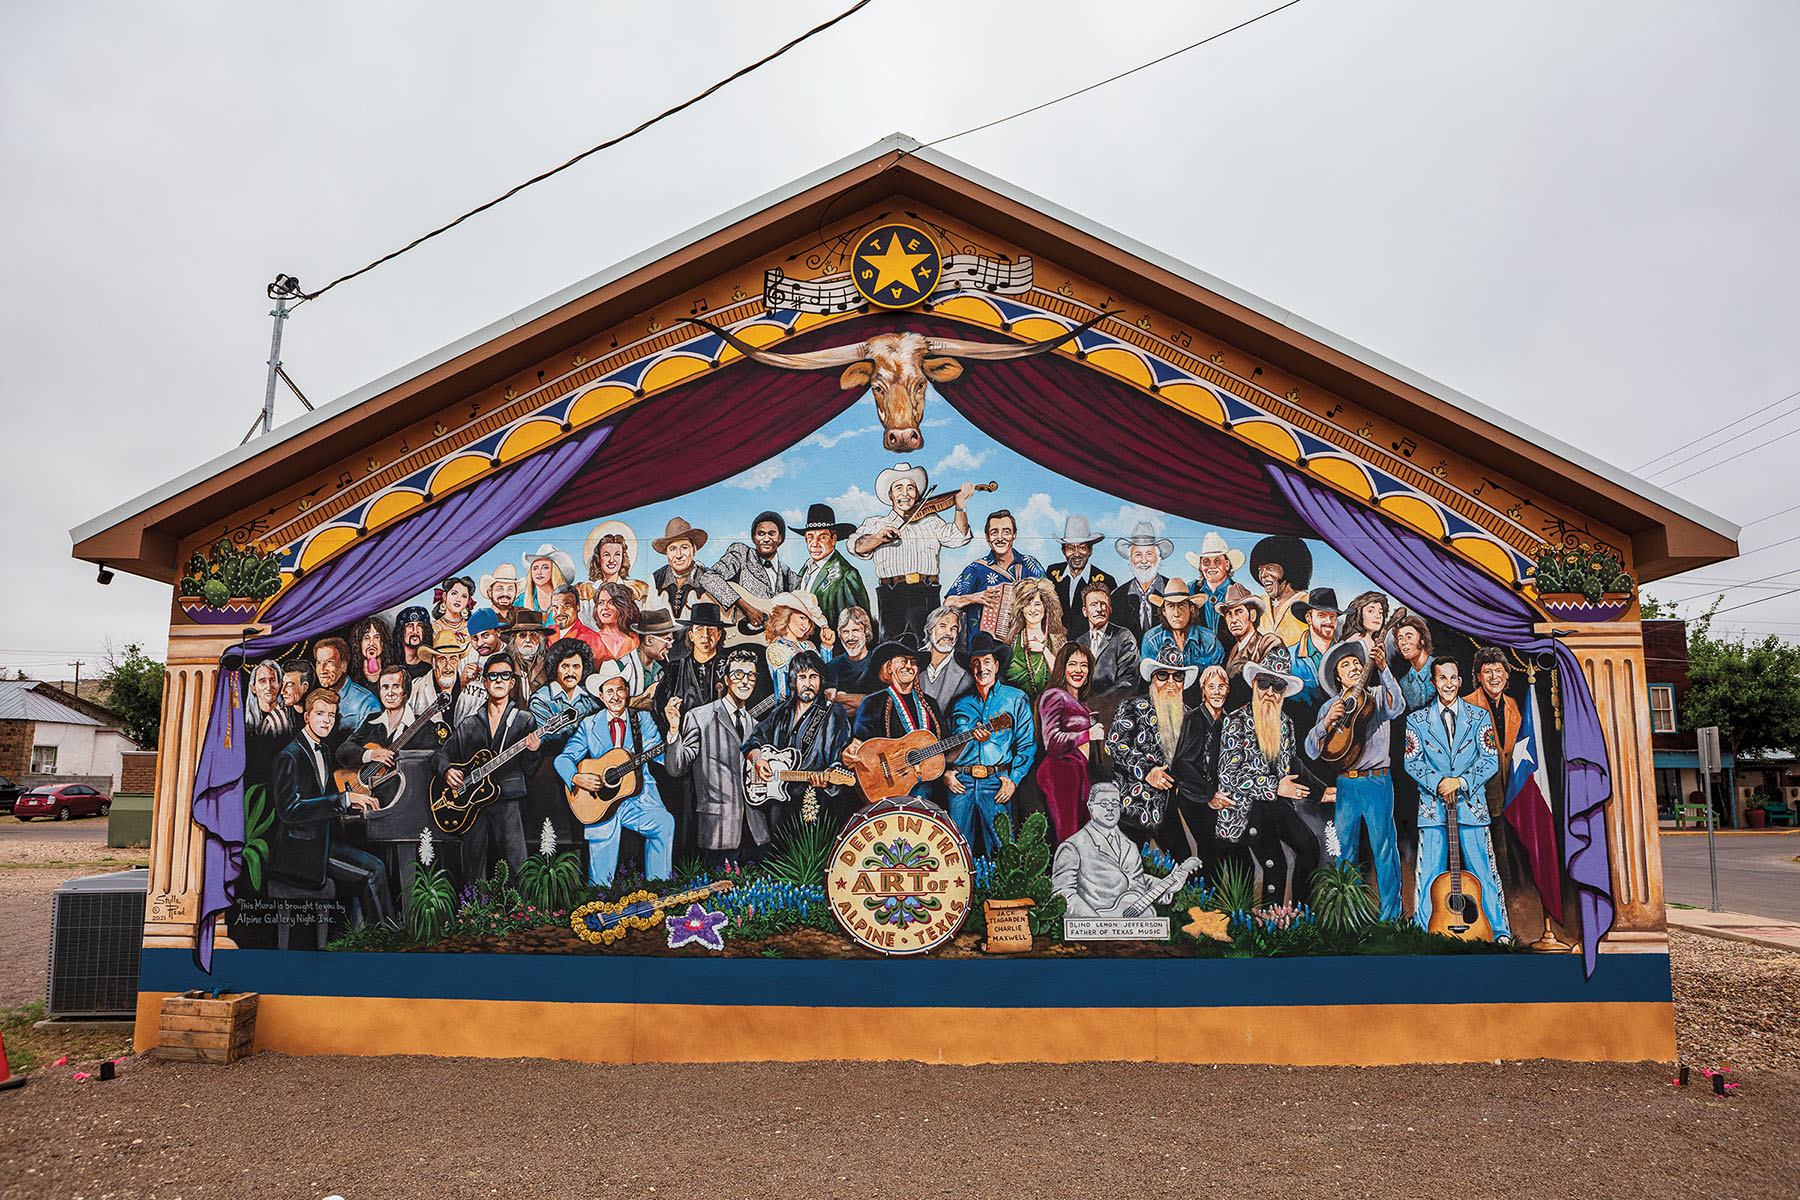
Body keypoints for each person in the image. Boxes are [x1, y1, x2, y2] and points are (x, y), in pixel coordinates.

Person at [1405, 656, 1509, 940]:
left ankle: (1498, 931)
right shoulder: (1417, 720)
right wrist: (1440, 783)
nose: (1448, 684)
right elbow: (1411, 762)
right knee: (1428, 875)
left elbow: (1489, 760)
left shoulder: (1479, 718)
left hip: (1471, 808)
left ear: (1460, 681)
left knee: (1484, 873)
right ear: (1434, 682)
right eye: (1442, 678)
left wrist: (1460, 782)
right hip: (1433, 810)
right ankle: (1424, 932)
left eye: (1453, 678)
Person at [269, 689, 388, 926]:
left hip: (322, 843)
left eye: (332, 716)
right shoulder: (289, 756)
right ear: (307, 717)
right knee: (374, 871)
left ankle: (365, 938)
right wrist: (344, 800)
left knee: (374, 865)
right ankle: (385, 937)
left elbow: (326, 799)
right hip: (300, 852)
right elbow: (289, 810)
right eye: (321, 714)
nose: (327, 721)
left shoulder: (323, 750)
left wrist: (355, 802)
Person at [1305, 640, 1406, 920]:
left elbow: (1397, 707)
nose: (1353, 668)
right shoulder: (1329, 705)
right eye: (1345, 665)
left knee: (1383, 848)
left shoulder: (1376, 694)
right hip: (1345, 785)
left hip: (1377, 782)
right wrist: (1325, 724)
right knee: (1343, 849)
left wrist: (1384, 669)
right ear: (1337, 675)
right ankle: (1349, 917)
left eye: (1357, 664)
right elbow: (1312, 750)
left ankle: (1391, 916)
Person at [1215, 647, 1321, 906]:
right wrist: (1275, 787)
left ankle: (1299, 914)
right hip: (1245, 806)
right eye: (1265, 683)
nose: (1270, 693)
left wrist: (1320, 790)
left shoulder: (1285, 722)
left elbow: (1292, 764)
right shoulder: (1236, 722)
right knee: (1275, 864)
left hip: (1277, 804)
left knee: (1310, 848)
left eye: (1278, 687)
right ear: (1254, 683)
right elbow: (1229, 776)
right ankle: (1269, 920)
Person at [555, 661, 675, 887]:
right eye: (609, 691)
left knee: (665, 823)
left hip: (639, 800)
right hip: (599, 803)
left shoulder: (643, 720)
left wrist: (674, 735)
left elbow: (659, 755)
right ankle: (599, 900)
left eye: (620, 689)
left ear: (627, 691)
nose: (615, 696)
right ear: (601, 696)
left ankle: (659, 889)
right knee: (601, 878)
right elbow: (563, 758)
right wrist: (576, 777)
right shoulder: (589, 725)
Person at [338, 663, 449, 902]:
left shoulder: (425, 727)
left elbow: (432, 763)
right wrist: (371, 755)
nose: (389, 692)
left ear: (405, 692)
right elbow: (343, 751)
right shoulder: (372, 723)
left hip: (408, 814)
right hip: (372, 809)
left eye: (395, 687)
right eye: (384, 687)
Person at [435, 653, 541, 881]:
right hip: (472, 805)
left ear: (512, 682)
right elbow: (442, 753)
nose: (499, 681)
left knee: (517, 863)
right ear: (485, 682)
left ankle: (523, 914)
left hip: (507, 798)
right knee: (473, 864)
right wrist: (447, 770)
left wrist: (533, 751)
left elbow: (530, 770)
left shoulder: (524, 720)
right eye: (493, 676)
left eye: (505, 676)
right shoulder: (470, 723)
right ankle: (474, 913)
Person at [666, 647, 770, 866]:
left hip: (755, 831)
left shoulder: (756, 726)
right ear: (726, 679)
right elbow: (676, 768)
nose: (745, 682)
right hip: (717, 830)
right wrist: (674, 730)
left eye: (750, 676)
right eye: (738, 675)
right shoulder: (699, 717)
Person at [850, 462, 976, 643]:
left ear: (917, 494)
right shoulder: (876, 523)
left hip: (926, 593)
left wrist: (960, 506)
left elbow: (958, 538)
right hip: (891, 594)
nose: (905, 494)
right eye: (899, 488)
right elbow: (856, 546)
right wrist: (878, 538)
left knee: (927, 646)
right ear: (890, 494)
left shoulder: (931, 521)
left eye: (911, 488)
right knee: (890, 648)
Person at [946, 631, 1038, 858]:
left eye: (987, 661)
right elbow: (946, 750)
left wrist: (1013, 779)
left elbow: (1026, 745)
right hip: (961, 783)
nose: (981, 668)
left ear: (996, 665)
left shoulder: (1016, 699)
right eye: (975, 663)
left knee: (1001, 847)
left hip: (996, 782)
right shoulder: (960, 703)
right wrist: (946, 773)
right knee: (956, 848)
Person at [1051, 782, 1199, 918]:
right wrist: (1096, 923)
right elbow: (1062, 895)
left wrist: (1168, 886)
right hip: (1095, 932)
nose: (1110, 808)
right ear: (1090, 807)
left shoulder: (1129, 845)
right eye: (1103, 803)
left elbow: (1137, 882)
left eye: (1115, 803)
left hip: (1136, 928)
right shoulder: (1073, 846)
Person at [745, 649, 855, 829]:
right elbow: (754, 739)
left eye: (813, 677)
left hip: (813, 801)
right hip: (778, 801)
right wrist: (757, 758)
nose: (808, 683)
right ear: (794, 681)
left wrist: (828, 777)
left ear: (821, 680)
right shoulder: (781, 712)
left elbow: (839, 756)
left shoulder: (833, 713)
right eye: (802, 677)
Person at [1105, 646, 1196, 849]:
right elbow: (1114, 745)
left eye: (1177, 677)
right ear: (1153, 679)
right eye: (1163, 675)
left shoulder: (1189, 717)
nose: (1170, 682)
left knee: (1185, 870)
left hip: (1167, 812)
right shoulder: (1131, 707)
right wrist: (1147, 770)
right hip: (1130, 810)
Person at [845, 637, 946, 807]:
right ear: (889, 667)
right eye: (903, 660)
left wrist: (973, 737)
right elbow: (858, 745)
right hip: (888, 790)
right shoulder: (873, 703)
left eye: (913, 662)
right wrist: (851, 753)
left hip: (928, 790)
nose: (909, 666)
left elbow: (945, 747)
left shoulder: (930, 704)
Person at [528, 637, 598, 854]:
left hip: (584, 765)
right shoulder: (541, 699)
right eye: (565, 666)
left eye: (576, 666)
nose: (571, 672)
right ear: (555, 668)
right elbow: (549, 737)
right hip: (549, 772)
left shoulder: (590, 699)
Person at [945, 509, 1047, 642]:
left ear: (1014, 535)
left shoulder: (1029, 564)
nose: (1000, 538)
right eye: (994, 533)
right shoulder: (976, 569)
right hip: (982, 649)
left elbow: (1049, 601)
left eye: (1006, 532)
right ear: (987, 537)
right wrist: (974, 597)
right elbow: (948, 603)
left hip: (1023, 647)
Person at [1037, 642, 1103, 843]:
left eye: (1084, 665)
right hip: (1061, 770)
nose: (1079, 670)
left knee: (1082, 833)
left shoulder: (1079, 702)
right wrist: (1087, 734)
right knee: (1069, 834)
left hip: (1078, 772)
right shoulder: (1054, 695)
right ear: (1061, 668)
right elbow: (1051, 741)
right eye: (1072, 664)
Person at [1170, 664, 1231, 869]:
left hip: (1219, 797)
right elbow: (1181, 764)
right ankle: (1204, 898)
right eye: (1211, 686)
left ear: (1227, 690)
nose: (1216, 692)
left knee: (1227, 851)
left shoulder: (1228, 722)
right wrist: (1209, 794)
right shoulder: (1193, 719)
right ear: (1203, 690)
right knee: (1209, 849)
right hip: (1193, 796)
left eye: (1221, 687)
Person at [711, 510, 803, 628]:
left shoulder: (790, 578)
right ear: (754, 538)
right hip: (738, 640)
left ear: (780, 538)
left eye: (771, 534)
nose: (766, 538)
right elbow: (709, 577)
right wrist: (744, 606)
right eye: (761, 533)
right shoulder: (741, 555)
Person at [795, 503, 872, 638]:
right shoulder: (805, 570)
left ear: (834, 539)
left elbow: (859, 624)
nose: (815, 543)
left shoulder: (846, 574)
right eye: (810, 537)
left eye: (822, 537)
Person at [1046, 515, 1114, 639]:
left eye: (1082, 548)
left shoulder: (1106, 580)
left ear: (1090, 550)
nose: (1076, 554)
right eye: (1071, 548)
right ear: (1063, 551)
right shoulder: (1052, 573)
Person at [1139, 578, 1223, 679]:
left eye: (1182, 605)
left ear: (1191, 609)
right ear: (1164, 612)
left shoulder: (1209, 639)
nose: (1176, 613)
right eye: (1171, 606)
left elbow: (1217, 678)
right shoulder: (1152, 639)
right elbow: (1150, 679)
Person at [650, 518, 728, 622]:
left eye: (684, 547)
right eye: (673, 549)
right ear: (666, 553)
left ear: (694, 550)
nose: (678, 555)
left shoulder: (709, 578)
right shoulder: (656, 578)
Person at [1218, 583, 1282, 709]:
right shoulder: (1234, 649)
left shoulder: (1268, 644)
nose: (1233, 619)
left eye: (1239, 612)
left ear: (1252, 615)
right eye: (1229, 614)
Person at [1110, 520, 1173, 642]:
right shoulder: (1117, 597)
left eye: (1149, 554)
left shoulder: (1172, 590)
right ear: (1130, 560)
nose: (1144, 561)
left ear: (1158, 558)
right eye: (1138, 554)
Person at [1077, 583, 1137, 707]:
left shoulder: (1123, 636)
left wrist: (1098, 703)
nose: (1099, 609)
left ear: (1109, 608)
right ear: (1085, 611)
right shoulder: (1080, 642)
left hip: (1115, 710)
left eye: (1103, 604)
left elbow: (1129, 680)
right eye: (1093, 604)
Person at [1006, 577, 1066, 699]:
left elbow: (1063, 680)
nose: (1032, 610)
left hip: (1052, 707)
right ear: (1021, 608)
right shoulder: (1011, 640)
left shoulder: (1058, 640)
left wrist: (1044, 651)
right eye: (1027, 604)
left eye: (1037, 604)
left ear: (1046, 607)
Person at [1248, 536, 1312, 648]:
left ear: (1288, 569)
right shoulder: (1257, 603)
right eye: (1260, 570)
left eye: (1270, 568)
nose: (1262, 575)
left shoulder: (1309, 603)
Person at [1183, 531, 1246, 642]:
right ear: (1201, 566)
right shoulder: (1190, 590)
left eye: (1217, 561)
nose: (1212, 566)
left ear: (1226, 564)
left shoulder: (1239, 592)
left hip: (1232, 656)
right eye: (1206, 562)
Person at [410, 630, 480, 726]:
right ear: (433, 662)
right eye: (442, 659)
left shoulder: (468, 688)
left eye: (453, 659)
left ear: (459, 662)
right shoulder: (415, 688)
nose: (448, 666)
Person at [621, 607, 682, 712]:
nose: (670, 646)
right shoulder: (621, 665)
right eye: (667, 641)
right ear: (649, 640)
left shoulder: (661, 671)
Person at [313, 636, 378, 736]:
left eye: (330, 662)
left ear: (343, 666)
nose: (322, 670)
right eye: (319, 663)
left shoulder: (367, 702)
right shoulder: (315, 699)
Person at [1289, 588, 1342, 707]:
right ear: (1309, 618)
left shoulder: (1346, 655)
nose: (1328, 621)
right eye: (1321, 615)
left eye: (1332, 616)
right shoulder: (1290, 657)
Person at [582, 520, 651, 610]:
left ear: (623, 558)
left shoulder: (638, 590)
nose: (611, 560)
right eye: (606, 555)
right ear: (599, 558)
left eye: (617, 554)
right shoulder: (585, 591)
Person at [918, 604, 973, 715]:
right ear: (930, 630)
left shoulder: (965, 675)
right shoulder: (912, 662)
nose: (948, 633)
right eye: (943, 626)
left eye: (954, 628)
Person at [821, 604, 876, 705]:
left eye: (855, 630)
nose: (850, 637)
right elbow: (832, 707)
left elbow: (881, 702)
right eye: (845, 631)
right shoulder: (832, 667)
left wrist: (841, 697)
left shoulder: (877, 663)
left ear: (866, 632)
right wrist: (865, 699)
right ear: (840, 635)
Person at [1389, 613, 1437, 713]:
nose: (1403, 642)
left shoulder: (1442, 668)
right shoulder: (1404, 682)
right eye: (1400, 638)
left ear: (1422, 640)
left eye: (1409, 637)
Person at [588, 581, 641, 665]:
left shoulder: (634, 639)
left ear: (622, 607)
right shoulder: (591, 640)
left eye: (611, 602)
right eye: (601, 603)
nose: (605, 607)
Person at [547, 584, 603, 659]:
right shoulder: (547, 633)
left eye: (566, 607)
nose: (559, 613)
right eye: (555, 607)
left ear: (578, 607)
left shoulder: (592, 638)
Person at [504, 609, 552, 695]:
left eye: (533, 635)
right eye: (522, 635)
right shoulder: (505, 663)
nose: (528, 640)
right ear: (514, 640)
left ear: (540, 639)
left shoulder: (549, 663)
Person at [518, 545, 576, 615]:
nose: (539, 572)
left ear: (554, 571)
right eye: (535, 568)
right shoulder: (521, 601)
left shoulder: (569, 600)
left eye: (545, 567)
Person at [433, 575, 477, 653]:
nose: (458, 599)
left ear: (468, 601)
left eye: (464, 596)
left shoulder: (472, 628)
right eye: (454, 593)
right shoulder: (433, 627)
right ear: (444, 596)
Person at [349, 616, 394, 691]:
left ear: (383, 642)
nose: (371, 643)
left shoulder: (394, 675)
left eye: (376, 637)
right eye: (366, 638)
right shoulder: (351, 680)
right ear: (358, 643)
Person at [391, 606, 433, 681]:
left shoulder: (431, 665)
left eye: (420, 626)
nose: (415, 631)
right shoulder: (391, 662)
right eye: (410, 626)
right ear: (401, 631)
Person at [478, 562, 523, 628]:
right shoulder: (482, 618)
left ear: (515, 592)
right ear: (490, 592)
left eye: (510, 589)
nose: (505, 593)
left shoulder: (524, 613)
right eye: (500, 589)